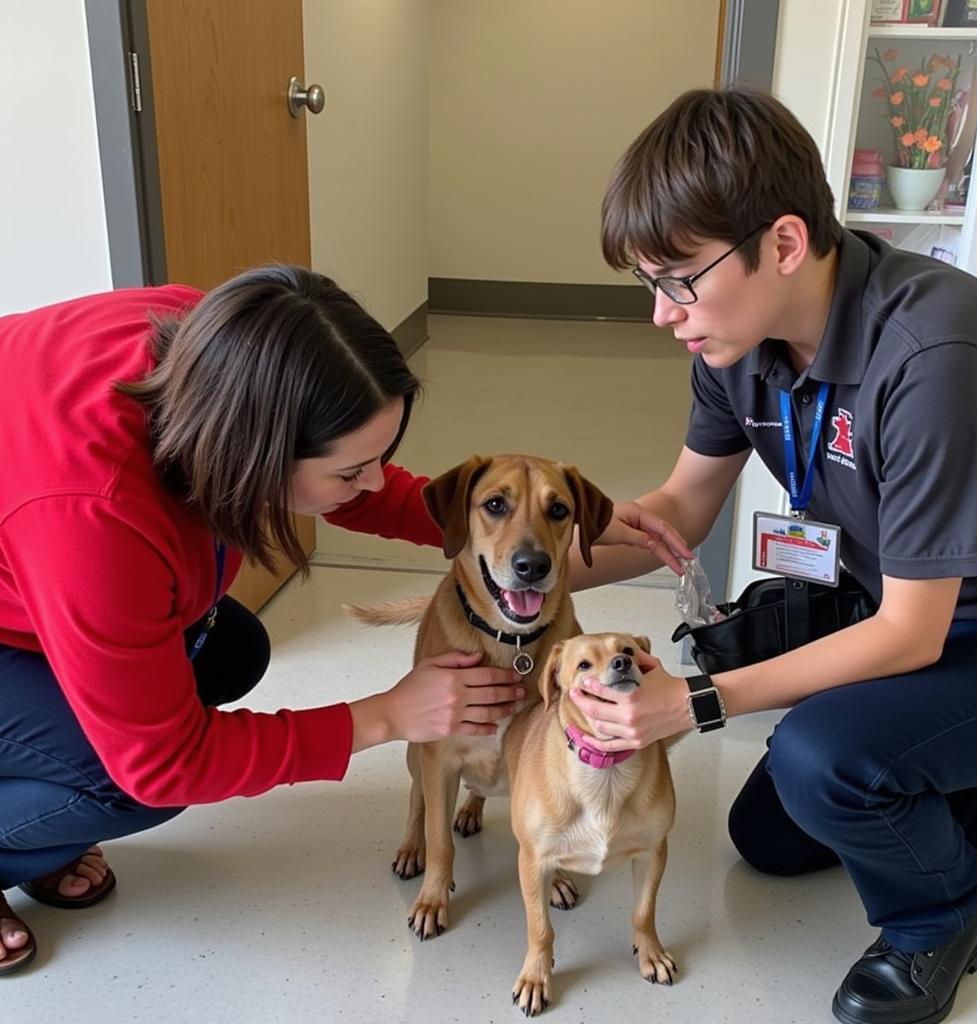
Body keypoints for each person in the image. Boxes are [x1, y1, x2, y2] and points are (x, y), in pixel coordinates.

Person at [0, 264, 689, 974]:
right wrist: (385, 715)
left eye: (378, 461)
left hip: (43, 558)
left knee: (231, 650)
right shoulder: (94, 517)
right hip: (52, 552)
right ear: (256, 451)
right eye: (352, 472)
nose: (371, 484)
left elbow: (350, 478)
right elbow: (166, 762)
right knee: (127, 783)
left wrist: (522, 528)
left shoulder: (224, 345)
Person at [564, 87, 977, 1024]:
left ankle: (942, 917)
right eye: (649, 284)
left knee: (824, 764)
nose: (662, 314)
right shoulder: (736, 339)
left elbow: (908, 634)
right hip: (922, 616)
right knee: (770, 835)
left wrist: (695, 701)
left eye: (679, 279)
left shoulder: (936, 351)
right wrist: (520, 575)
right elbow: (680, 509)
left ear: (780, 243)